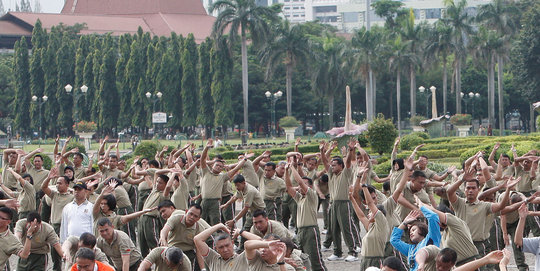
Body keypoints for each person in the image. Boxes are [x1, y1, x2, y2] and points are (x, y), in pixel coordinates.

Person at [319, 140, 359, 261]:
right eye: (332, 165)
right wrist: (322, 151)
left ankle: (353, 252)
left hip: (344, 203)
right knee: (333, 228)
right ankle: (337, 252)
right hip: (333, 203)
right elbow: (325, 162)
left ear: (340, 166)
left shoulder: (346, 173)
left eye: (335, 164)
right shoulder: (331, 174)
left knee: (346, 228)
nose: (332, 166)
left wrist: (350, 150)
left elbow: (347, 162)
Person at [284, 163, 327, 271]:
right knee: (303, 259)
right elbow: (289, 187)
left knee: (315, 261)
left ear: (310, 186)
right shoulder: (300, 198)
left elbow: (299, 182)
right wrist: (286, 171)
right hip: (301, 231)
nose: (300, 186)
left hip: (310, 230)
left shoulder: (312, 195)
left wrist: (292, 167)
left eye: (304, 184)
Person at [199, 139, 245, 225]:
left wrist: (244, 160)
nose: (218, 167)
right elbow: (202, 160)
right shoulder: (206, 172)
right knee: (202, 222)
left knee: (216, 222)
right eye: (217, 165)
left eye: (221, 167)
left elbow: (235, 169)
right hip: (204, 201)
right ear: (212, 165)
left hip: (215, 202)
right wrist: (206, 148)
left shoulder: (222, 177)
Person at [390, 204, 441, 270]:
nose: (411, 232)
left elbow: (433, 217)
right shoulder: (410, 249)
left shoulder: (431, 239)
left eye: (414, 230)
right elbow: (394, 240)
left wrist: (421, 207)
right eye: (410, 231)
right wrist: (404, 223)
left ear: (422, 229)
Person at [159, 203, 207, 271]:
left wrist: (203, 269)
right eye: (190, 214)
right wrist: (163, 240)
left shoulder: (199, 229)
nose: (192, 217)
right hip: (172, 249)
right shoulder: (175, 218)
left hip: (188, 253)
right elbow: (164, 231)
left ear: (199, 218)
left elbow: (199, 250)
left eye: (195, 216)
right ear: (186, 211)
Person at [139, 171, 174, 257]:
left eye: (160, 183)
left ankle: (163, 259)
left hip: (151, 218)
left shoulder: (164, 195)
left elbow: (169, 186)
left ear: (165, 185)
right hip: (142, 217)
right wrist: (169, 170)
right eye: (157, 182)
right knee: (142, 244)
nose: (157, 184)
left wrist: (173, 174)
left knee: (154, 243)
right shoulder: (154, 190)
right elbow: (157, 173)